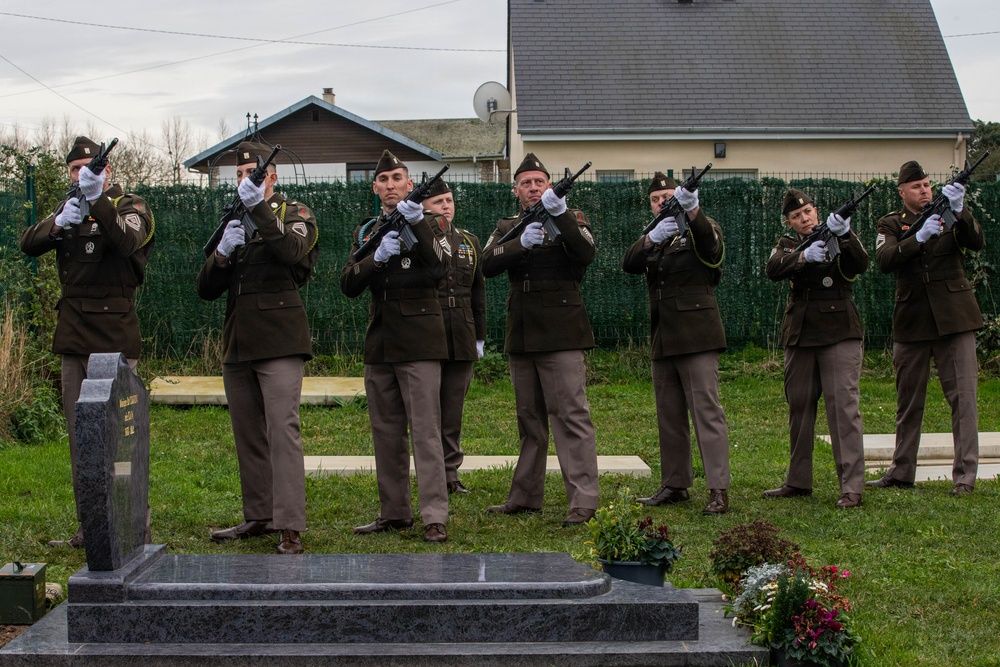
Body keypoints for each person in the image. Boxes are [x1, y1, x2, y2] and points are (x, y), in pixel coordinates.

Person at [20, 136, 155, 548]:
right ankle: (91, 525)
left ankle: (134, 521)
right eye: (76, 169)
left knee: (120, 438)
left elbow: (127, 242)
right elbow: (29, 243)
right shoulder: (70, 207)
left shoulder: (130, 206)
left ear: (106, 171)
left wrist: (98, 202)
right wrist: (60, 222)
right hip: (74, 336)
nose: (82, 174)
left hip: (114, 337)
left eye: (89, 168)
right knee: (82, 438)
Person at [196, 141, 318, 554]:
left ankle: (289, 525)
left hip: (280, 339)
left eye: (255, 174)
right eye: (239, 175)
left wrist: (260, 210)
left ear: (272, 177)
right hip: (239, 340)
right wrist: (223, 256)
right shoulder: (232, 218)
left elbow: (293, 254)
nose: (246, 180)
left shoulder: (294, 213)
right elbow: (206, 288)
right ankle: (259, 515)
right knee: (247, 433)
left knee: (282, 431)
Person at [480, 152, 599, 527]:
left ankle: (583, 499)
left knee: (570, 416)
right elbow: (486, 263)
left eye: (539, 181)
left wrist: (559, 213)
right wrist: (519, 244)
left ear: (549, 186)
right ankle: (526, 495)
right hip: (523, 330)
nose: (533, 187)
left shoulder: (573, 217)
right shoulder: (507, 225)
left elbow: (585, 252)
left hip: (562, 330)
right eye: (526, 183)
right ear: (516, 190)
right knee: (529, 419)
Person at [340, 150, 452, 543]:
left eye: (397, 178)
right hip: (381, 341)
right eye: (383, 180)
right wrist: (376, 259)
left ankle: (435, 514)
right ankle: (394, 511)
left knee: (425, 431)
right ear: (375, 187)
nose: (390, 185)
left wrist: (417, 221)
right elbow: (349, 283)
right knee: (386, 432)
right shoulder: (368, 229)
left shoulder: (432, 223)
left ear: (409, 184)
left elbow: (441, 267)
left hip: (420, 340)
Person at [868, 160, 985, 496]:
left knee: (964, 399)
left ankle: (965, 476)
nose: (924, 190)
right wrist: (917, 238)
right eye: (916, 186)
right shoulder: (891, 223)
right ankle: (901, 471)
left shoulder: (952, 212)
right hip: (913, 319)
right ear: (902, 191)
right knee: (909, 401)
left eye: (927, 185)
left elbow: (976, 242)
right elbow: (885, 260)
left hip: (955, 317)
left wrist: (960, 209)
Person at [622, 171, 731, 515]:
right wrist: (651, 240)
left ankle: (718, 488)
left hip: (697, 334)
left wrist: (693, 212)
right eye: (655, 199)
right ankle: (675, 483)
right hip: (664, 335)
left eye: (666, 196)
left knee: (706, 413)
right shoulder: (656, 234)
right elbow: (630, 263)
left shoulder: (703, 226)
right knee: (669, 415)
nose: (661, 202)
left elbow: (712, 251)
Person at [764, 189, 868, 508]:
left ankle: (851, 486)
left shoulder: (839, 234)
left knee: (842, 408)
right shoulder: (788, 244)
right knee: (799, 405)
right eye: (797, 216)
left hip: (838, 328)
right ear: (789, 222)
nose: (804, 218)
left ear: (816, 210)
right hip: (800, 331)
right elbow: (773, 268)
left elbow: (860, 262)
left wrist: (844, 233)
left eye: (807, 211)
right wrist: (803, 257)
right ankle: (798, 480)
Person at [420, 179, 487, 494]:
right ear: (423, 208)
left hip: (461, 332)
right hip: (428, 332)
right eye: (438, 202)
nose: (446, 206)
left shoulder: (469, 241)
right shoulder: (419, 239)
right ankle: (431, 473)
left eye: (448, 200)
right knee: (428, 411)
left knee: (452, 408)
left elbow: (478, 292)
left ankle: (450, 473)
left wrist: (480, 337)